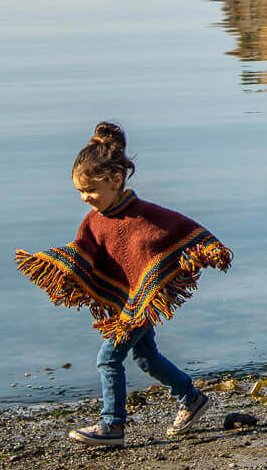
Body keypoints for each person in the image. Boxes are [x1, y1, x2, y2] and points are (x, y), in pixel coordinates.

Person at [15, 122, 233, 446]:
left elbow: (183, 230)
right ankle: (191, 398)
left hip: (142, 301)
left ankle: (112, 425)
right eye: (79, 192)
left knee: (108, 358)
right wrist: (56, 264)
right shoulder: (94, 220)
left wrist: (209, 250)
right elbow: (84, 252)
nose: (85, 198)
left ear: (115, 180)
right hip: (128, 302)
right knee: (146, 358)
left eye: (90, 190)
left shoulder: (144, 215)